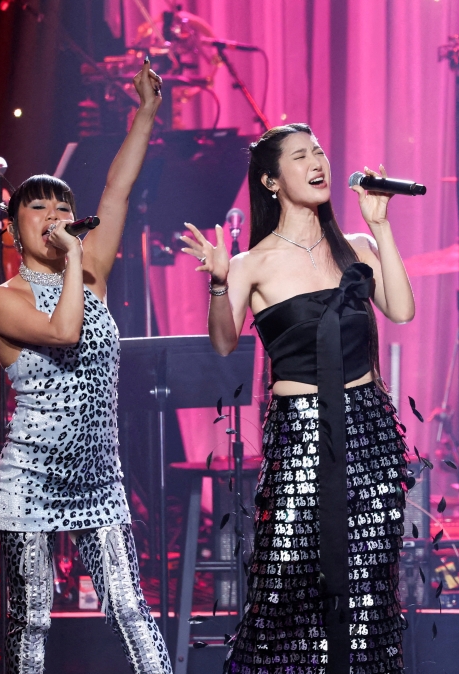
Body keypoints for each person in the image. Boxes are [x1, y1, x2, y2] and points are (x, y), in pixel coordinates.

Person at [178, 123, 415, 674]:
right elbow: (222, 341)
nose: (318, 162)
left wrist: (380, 225)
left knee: (367, 582)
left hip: (367, 429)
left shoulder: (356, 245)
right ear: (270, 180)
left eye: (320, 152)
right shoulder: (249, 264)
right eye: (301, 156)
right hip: (301, 431)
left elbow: (401, 310)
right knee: (287, 579)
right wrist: (218, 282)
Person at [0, 59, 172, 674]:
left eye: (61, 204)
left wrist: (144, 113)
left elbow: (115, 190)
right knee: (30, 619)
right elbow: (63, 332)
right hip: (31, 477)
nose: (55, 214)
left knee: (129, 608)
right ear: (16, 231)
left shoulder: (90, 276)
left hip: (99, 476)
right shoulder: (2, 298)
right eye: (38, 208)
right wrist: (71, 263)